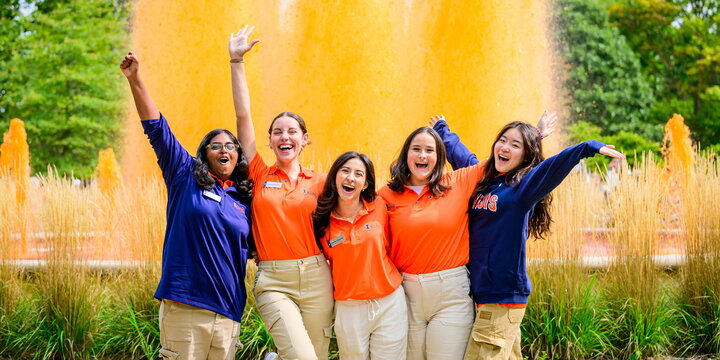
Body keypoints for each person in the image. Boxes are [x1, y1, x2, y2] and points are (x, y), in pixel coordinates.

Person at [432, 117, 625, 360]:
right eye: (502, 141)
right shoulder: (483, 180)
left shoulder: (523, 186)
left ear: (525, 156)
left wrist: (587, 147)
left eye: (515, 145)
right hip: (484, 293)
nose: (505, 147)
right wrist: (442, 131)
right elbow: (463, 157)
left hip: (501, 295)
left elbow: (553, 166)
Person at [120, 52, 253, 360]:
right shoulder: (185, 176)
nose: (224, 149)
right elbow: (157, 129)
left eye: (231, 145)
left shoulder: (243, 198)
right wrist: (136, 80)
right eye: (215, 145)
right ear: (204, 153)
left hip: (229, 314)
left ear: (238, 155)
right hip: (186, 307)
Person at [229, 26, 333, 360]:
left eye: (292, 132)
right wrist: (236, 61)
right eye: (277, 132)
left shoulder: (322, 181)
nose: (284, 137)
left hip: (318, 277)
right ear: (270, 141)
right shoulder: (259, 173)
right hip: (274, 280)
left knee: (313, 354)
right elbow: (243, 116)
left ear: (305, 139)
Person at [312, 152, 407, 359]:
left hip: (389, 302)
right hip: (349, 307)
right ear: (335, 177)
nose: (350, 178)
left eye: (358, 174)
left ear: (365, 184)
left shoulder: (380, 206)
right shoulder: (322, 218)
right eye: (345, 171)